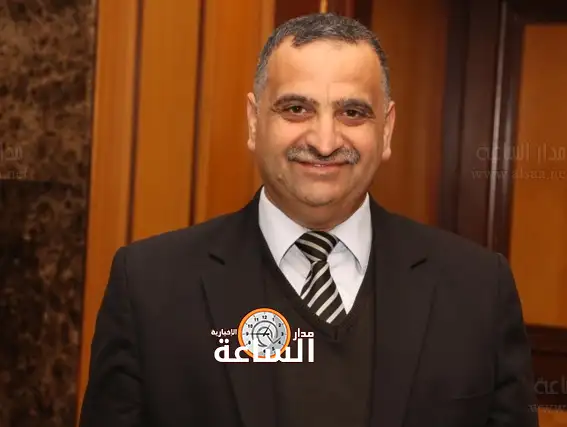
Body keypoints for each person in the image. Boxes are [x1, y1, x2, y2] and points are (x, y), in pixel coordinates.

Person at [79, 12, 539, 427]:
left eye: (352, 112)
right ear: (254, 121)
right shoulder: (150, 287)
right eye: (296, 109)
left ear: (387, 130)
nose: (324, 141)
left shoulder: (478, 290)